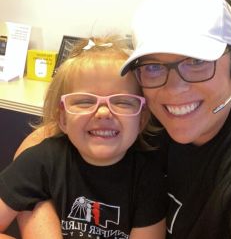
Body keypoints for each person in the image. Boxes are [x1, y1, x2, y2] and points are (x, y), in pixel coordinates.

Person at [9, 0, 231, 238]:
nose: (174, 89)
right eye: (153, 66)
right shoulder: (143, 115)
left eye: (198, 62)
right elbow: (41, 144)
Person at [0, 35, 166, 239]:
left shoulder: (148, 178)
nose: (103, 113)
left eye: (122, 102)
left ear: (141, 119)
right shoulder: (39, 161)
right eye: (85, 102)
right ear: (62, 118)